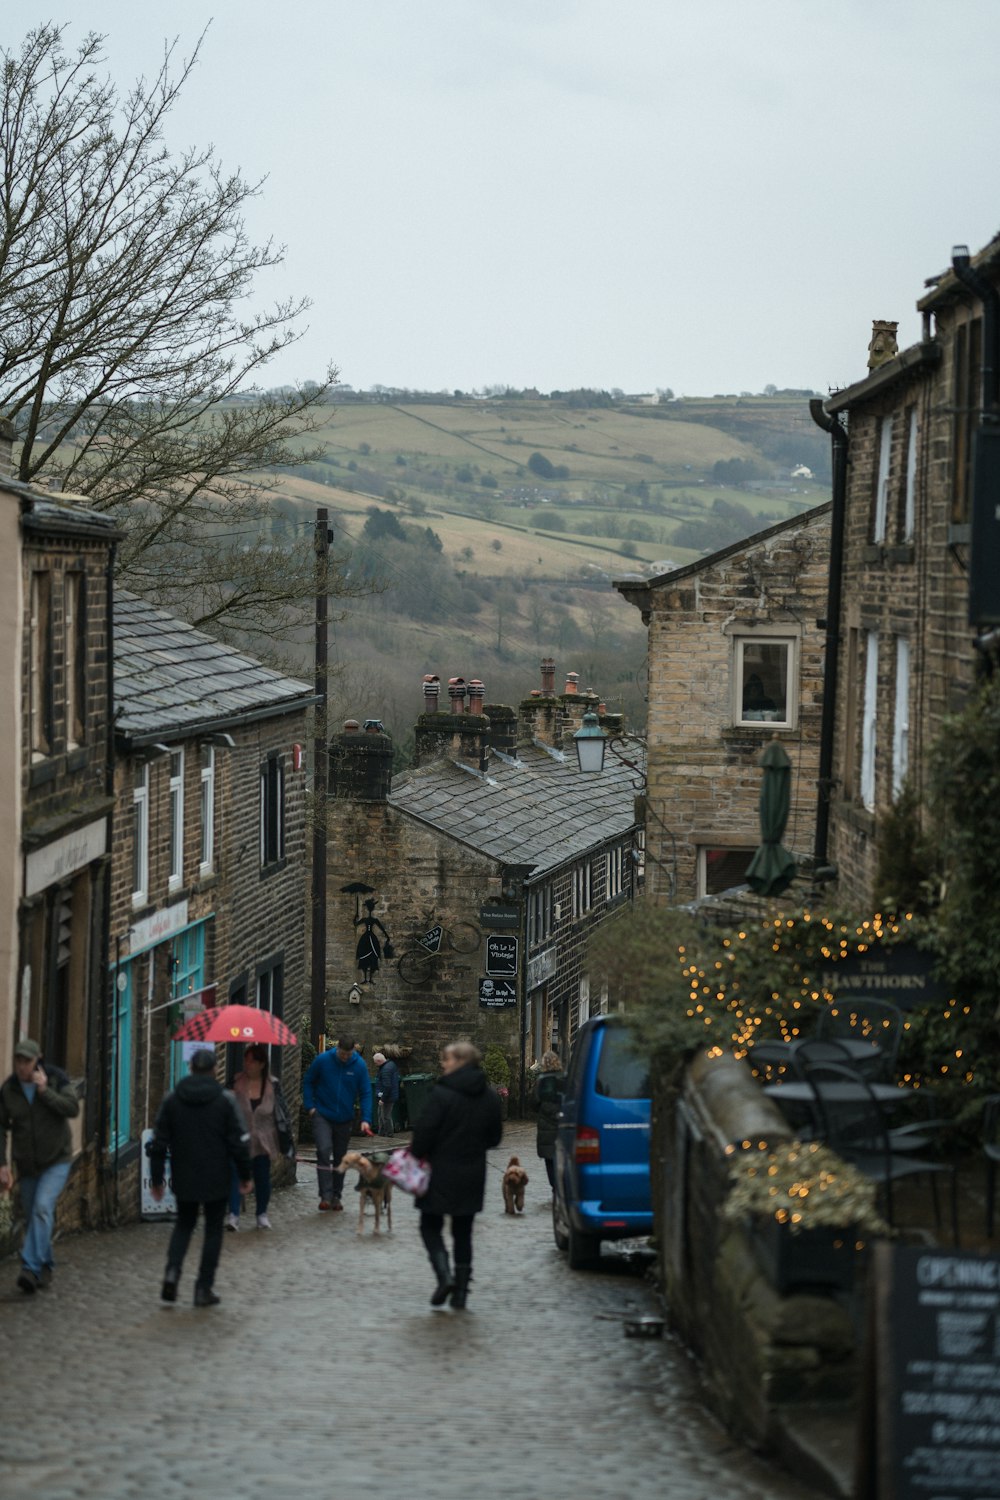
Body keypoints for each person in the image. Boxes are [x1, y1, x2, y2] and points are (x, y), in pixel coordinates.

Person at [148, 1048, 252, 1307]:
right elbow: (239, 1142)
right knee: (213, 1230)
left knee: (184, 1225)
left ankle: (172, 1272)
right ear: (214, 1070)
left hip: (184, 1172)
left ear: (192, 1068)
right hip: (217, 1174)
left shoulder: (173, 1099)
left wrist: (158, 1179)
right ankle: (202, 1288)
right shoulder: (225, 1101)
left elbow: (159, 1143)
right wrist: (245, 1174)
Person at [410, 1040, 503, 1311]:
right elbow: (495, 1138)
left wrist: (419, 1153)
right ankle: (460, 1292)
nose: (443, 1064)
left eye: (447, 1059)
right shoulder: (490, 1096)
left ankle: (444, 1276)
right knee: (463, 1231)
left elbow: (423, 1134)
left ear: (461, 1062)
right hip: (473, 1171)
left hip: (440, 1171)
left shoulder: (441, 1094)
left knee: (430, 1225)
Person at [0, 1038, 80, 1294]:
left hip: (57, 1159)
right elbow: (1, 1127)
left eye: (27, 1061)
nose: (22, 1066)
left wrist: (45, 1092)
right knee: (33, 1212)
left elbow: (71, 1108)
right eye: (18, 1061)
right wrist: (2, 1163)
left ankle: (30, 1267)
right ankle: (44, 1264)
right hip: (27, 1163)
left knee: (43, 1208)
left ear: (38, 1060)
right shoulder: (9, 1090)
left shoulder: (56, 1079)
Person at [302, 1035, 373, 1210]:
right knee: (324, 1150)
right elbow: (308, 1081)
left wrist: (366, 1119)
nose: (344, 1058)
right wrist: (310, 1106)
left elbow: (365, 1093)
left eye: (348, 1055)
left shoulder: (359, 1066)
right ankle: (325, 1195)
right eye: (342, 1054)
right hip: (322, 1114)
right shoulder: (323, 1060)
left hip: (344, 1118)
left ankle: (336, 1195)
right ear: (337, 1049)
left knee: (341, 1158)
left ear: (353, 1051)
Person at [226, 1044, 282, 1232]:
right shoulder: (235, 1083)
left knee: (262, 1178)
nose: (247, 1064)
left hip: (262, 1141)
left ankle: (261, 1214)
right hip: (239, 1140)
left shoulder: (272, 1085)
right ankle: (233, 1215)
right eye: (246, 1060)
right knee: (234, 1176)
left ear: (261, 1064)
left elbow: (279, 1113)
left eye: (252, 1061)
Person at [530, 1049, 566, 1192]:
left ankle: (554, 1186)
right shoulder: (565, 1078)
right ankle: (561, 1185)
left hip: (546, 1124)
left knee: (549, 1158)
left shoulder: (541, 1081)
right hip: (562, 1122)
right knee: (562, 1156)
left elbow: (534, 1103)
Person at [373, 1051, 400, 1135]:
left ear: (379, 1061)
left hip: (387, 1097)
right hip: (389, 1095)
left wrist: (383, 1099)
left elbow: (387, 1086)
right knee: (381, 1115)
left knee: (385, 1116)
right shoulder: (390, 1064)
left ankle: (389, 1134)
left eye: (375, 1063)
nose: (375, 1065)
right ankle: (381, 1133)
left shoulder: (385, 1070)